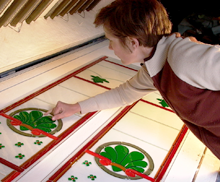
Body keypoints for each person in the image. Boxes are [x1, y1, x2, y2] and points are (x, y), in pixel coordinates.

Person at [45, 0, 220, 160]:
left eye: (111, 40)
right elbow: (123, 95)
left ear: (132, 42)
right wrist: (76, 108)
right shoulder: (155, 67)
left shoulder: (184, 57)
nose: (110, 47)